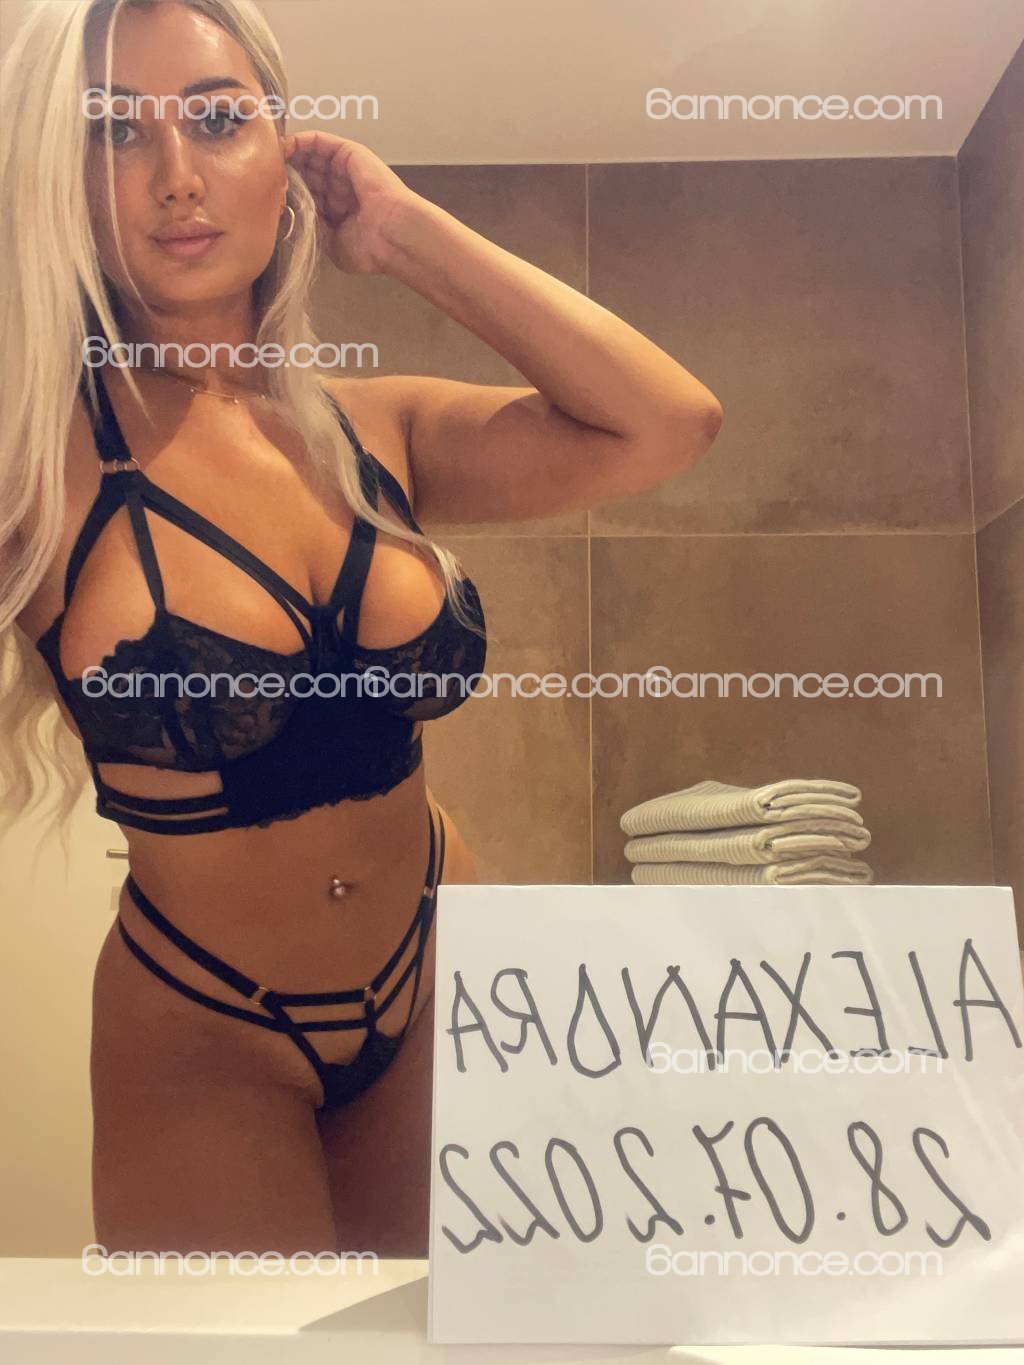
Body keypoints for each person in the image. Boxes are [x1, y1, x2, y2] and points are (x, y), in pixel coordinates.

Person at [0, 0, 723, 1256]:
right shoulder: (31, 463)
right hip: (204, 1030)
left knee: (501, 1339)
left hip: (450, 969)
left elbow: (666, 422)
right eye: (114, 132)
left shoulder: (377, 428)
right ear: (56, 177)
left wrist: (405, 233)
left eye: (218, 120)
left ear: (281, 148)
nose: (176, 176)